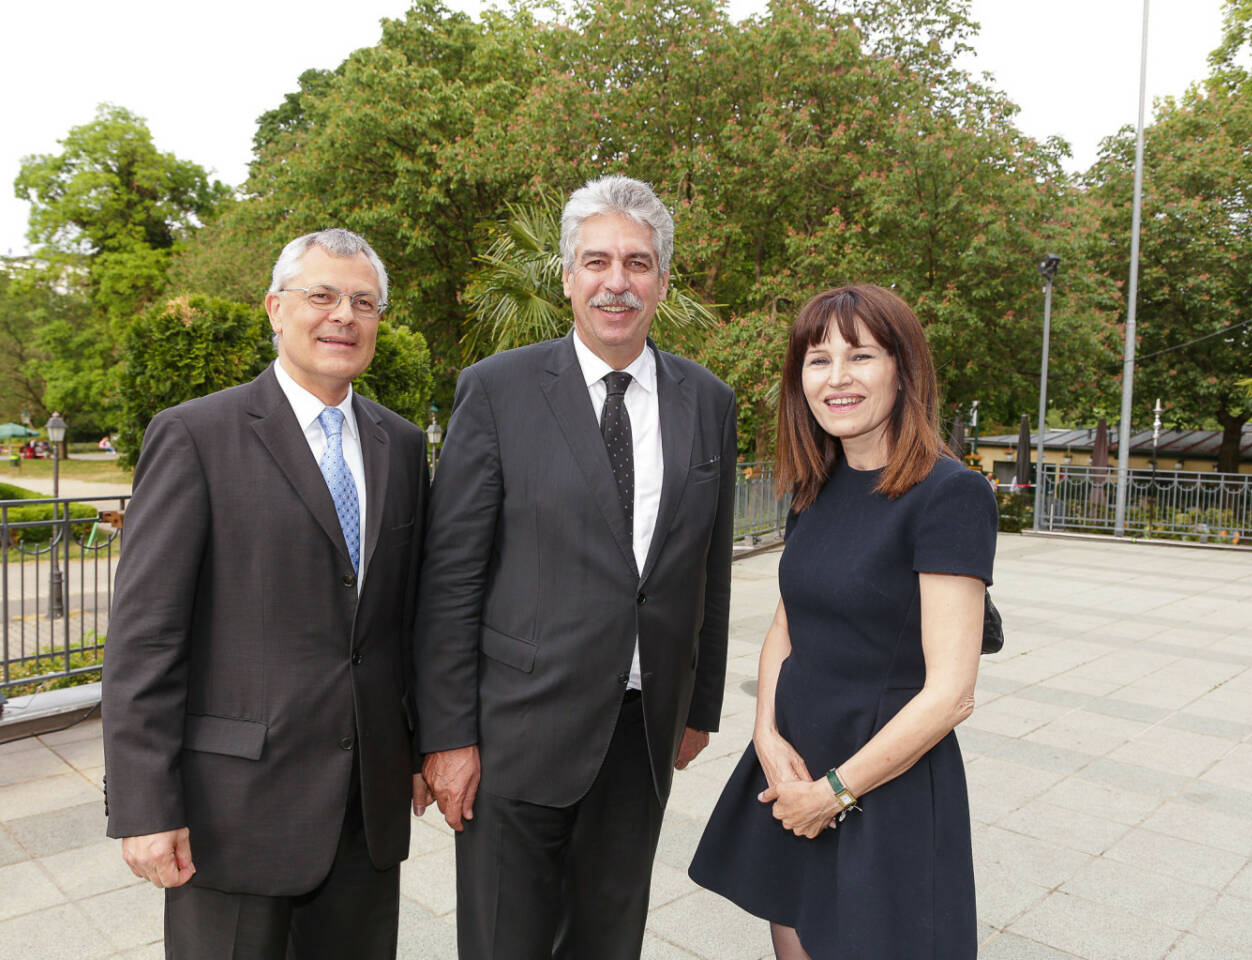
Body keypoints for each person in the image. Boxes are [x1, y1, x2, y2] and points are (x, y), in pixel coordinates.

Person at [414, 175, 737, 960]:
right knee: (505, 943)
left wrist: (699, 706)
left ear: (663, 279)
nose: (616, 282)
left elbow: (709, 568)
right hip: (514, 732)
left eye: (636, 262)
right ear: (567, 276)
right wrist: (449, 736)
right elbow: (451, 577)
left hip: (640, 732)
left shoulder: (709, 401)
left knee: (608, 941)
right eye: (596, 261)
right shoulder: (496, 391)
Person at [101, 228, 432, 960]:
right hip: (233, 814)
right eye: (322, 295)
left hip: (364, 813)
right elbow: (145, 638)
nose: (343, 315)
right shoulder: (195, 436)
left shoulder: (402, 447)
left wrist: (419, 744)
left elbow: (403, 620)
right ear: (276, 309)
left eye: (364, 302)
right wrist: (144, 805)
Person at [689, 284, 996, 959]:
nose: (838, 378)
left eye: (861, 356)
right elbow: (784, 630)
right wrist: (766, 736)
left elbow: (952, 693)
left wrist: (833, 793)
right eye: (818, 360)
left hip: (881, 783)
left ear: (903, 368)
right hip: (798, 765)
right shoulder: (815, 488)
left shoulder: (951, 495)